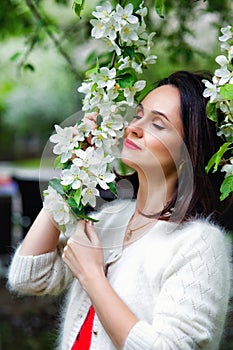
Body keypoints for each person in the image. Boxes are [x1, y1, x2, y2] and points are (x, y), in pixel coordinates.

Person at [8, 71, 232, 350]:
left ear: (189, 152)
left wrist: (92, 277)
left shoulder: (199, 244)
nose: (134, 127)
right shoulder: (111, 217)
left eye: (158, 125)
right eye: (138, 115)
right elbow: (28, 277)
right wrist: (73, 173)